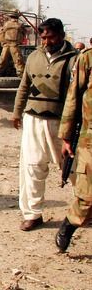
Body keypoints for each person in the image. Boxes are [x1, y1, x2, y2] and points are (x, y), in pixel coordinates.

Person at [12, 18, 77, 231]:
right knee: (32, 166)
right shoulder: (33, 57)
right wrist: (17, 112)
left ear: (61, 35)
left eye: (50, 37)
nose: (46, 41)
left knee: (74, 168)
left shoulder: (74, 60)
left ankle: (85, 209)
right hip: (34, 120)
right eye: (43, 37)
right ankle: (32, 213)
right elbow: (24, 86)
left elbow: (79, 93)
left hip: (62, 122)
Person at [56, 42, 92, 252]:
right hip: (89, 140)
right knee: (87, 195)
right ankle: (69, 225)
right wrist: (66, 137)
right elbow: (72, 98)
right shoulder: (87, 59)